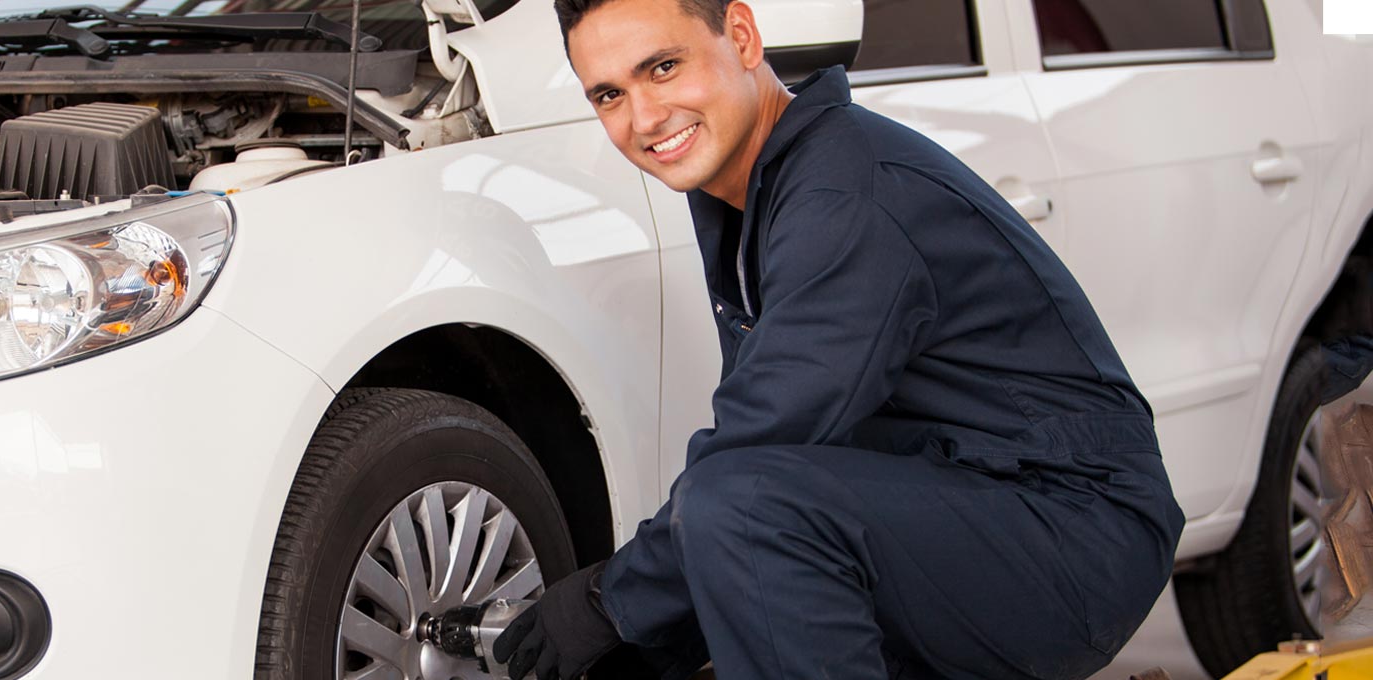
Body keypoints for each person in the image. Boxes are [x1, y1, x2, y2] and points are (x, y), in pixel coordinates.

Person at [489, 0, 1188, 678]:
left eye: (664, 68)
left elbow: (763, 453)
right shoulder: (753, 192)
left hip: (1075, 532)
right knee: (733, 517)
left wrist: (605, 604)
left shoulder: (846, 195)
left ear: (741, 36)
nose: (642, 118)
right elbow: (804, 473)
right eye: (609, 94)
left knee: (737, 504)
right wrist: (642, 647)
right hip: (969, 506)